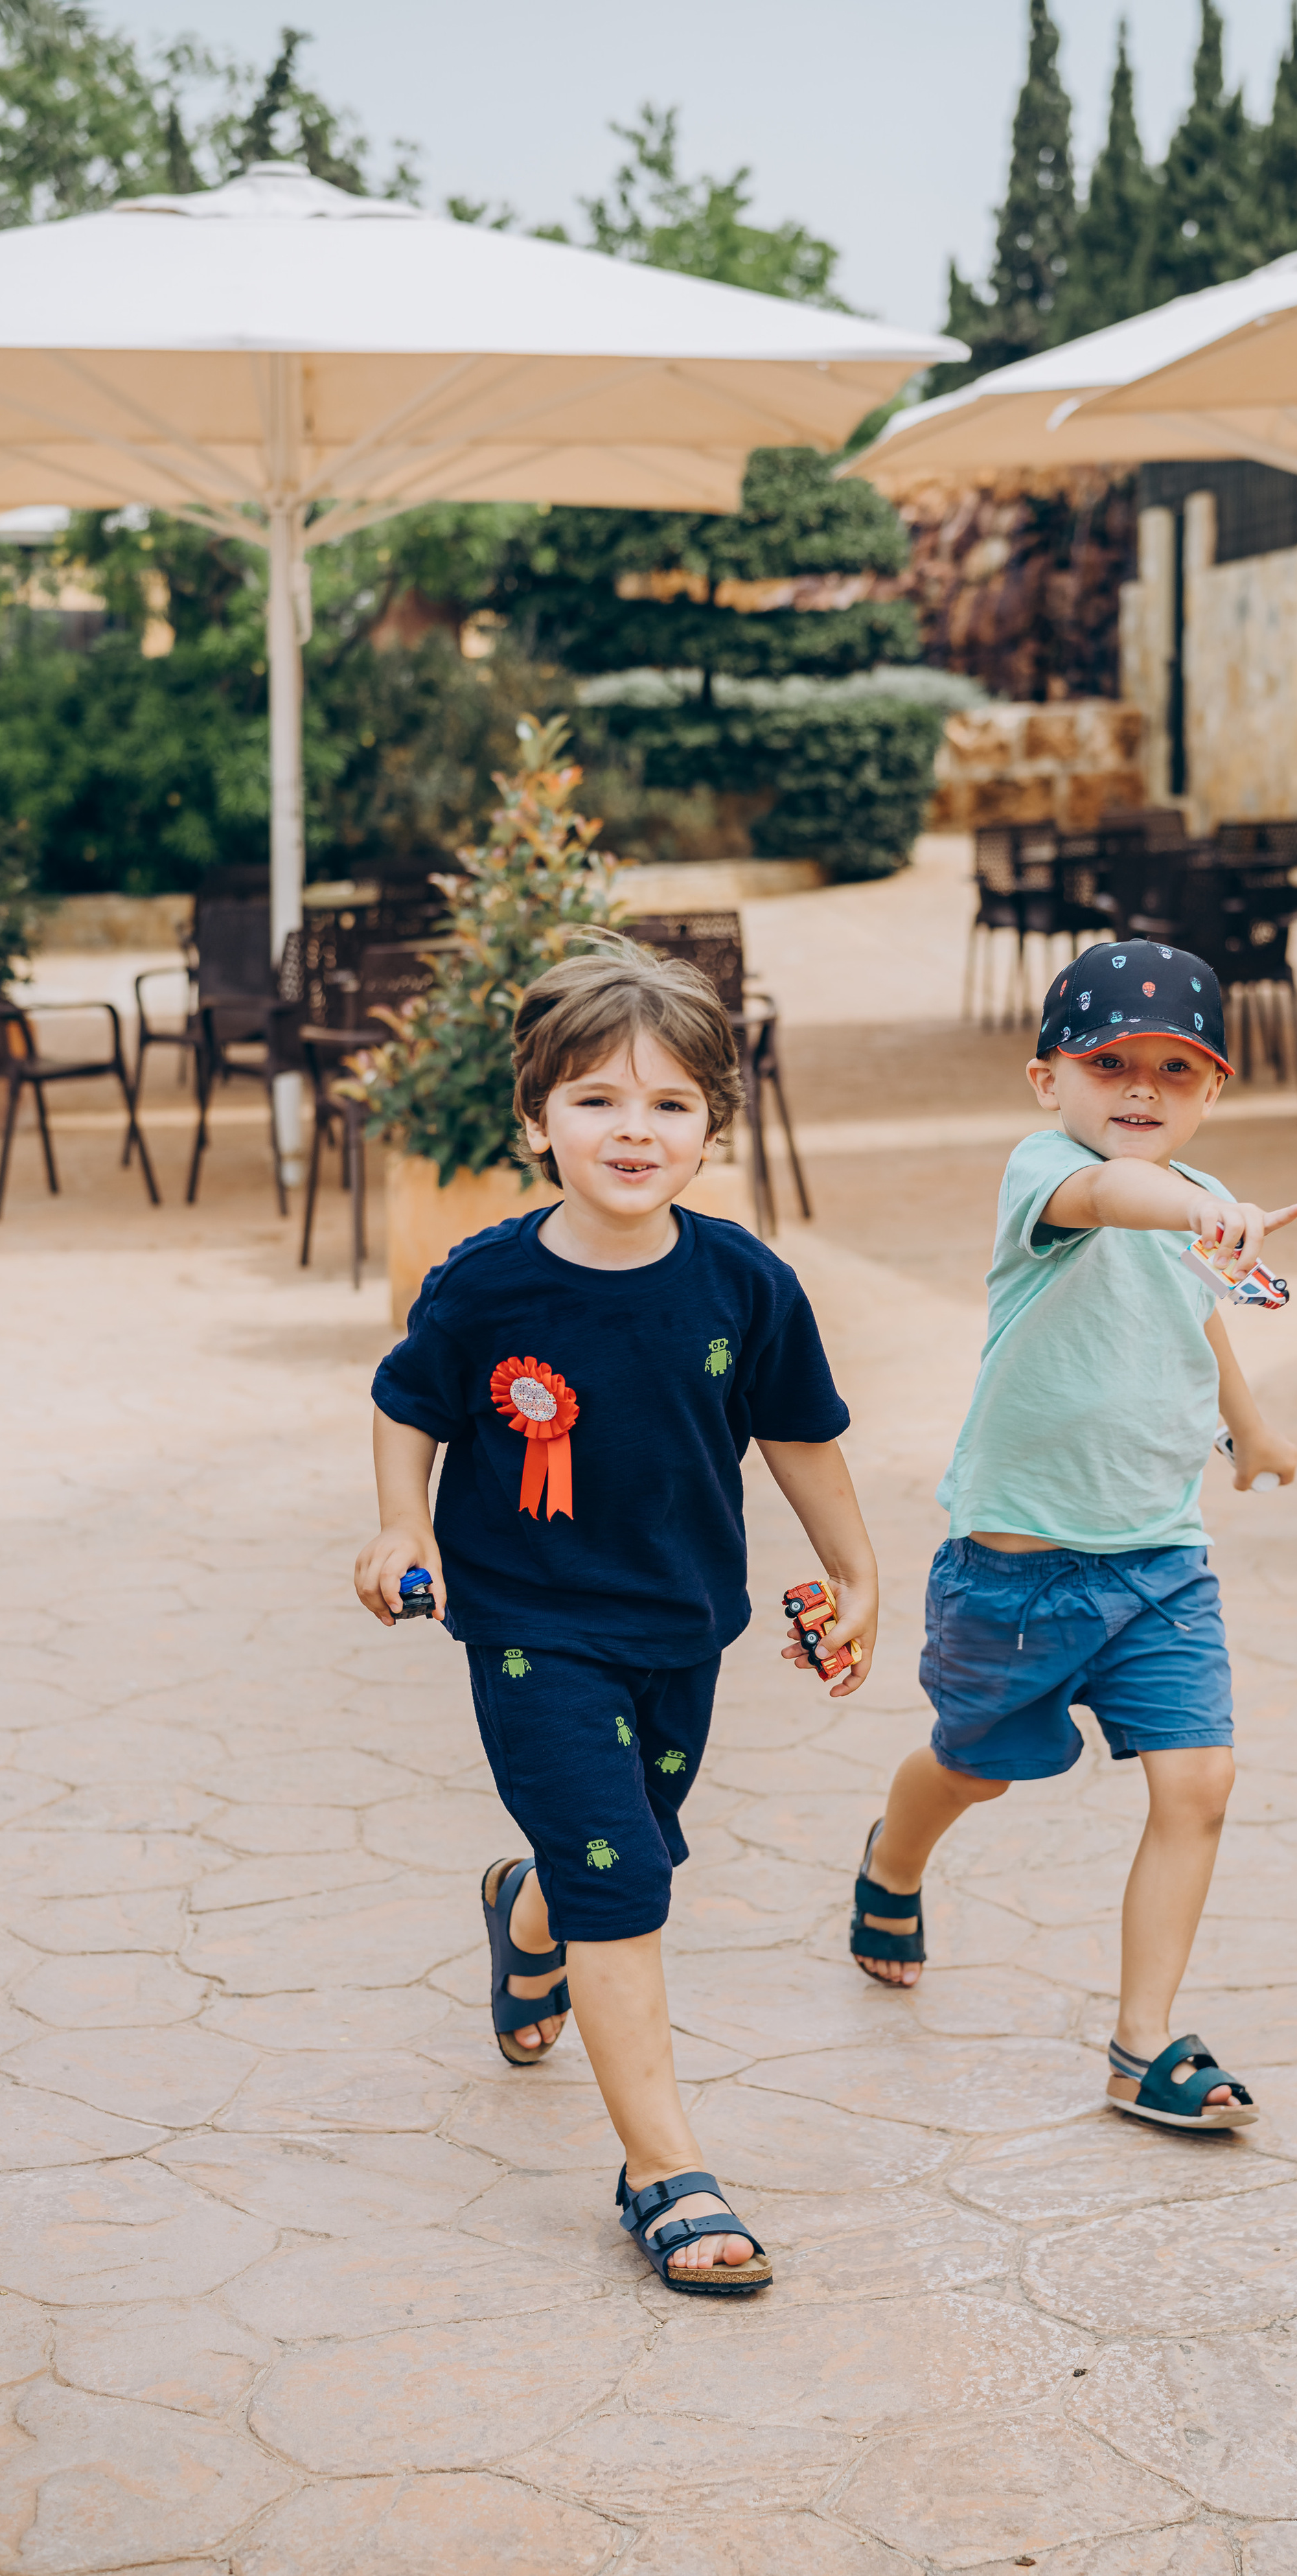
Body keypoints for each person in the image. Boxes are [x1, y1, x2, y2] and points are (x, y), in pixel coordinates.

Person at [356, 934, 878, 2293]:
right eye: (596, 1099)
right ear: (537, 1120)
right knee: (628, 1885)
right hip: (529, 1632)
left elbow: (800, 1432)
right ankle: (663, 2171)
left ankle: (526, 1911)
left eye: (668, 1102)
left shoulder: (745, 1283)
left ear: (713, 1125)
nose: (633, 1129)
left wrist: (857, 1573)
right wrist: (404, 1526)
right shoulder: (484, 1281)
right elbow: (408, 1403)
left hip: (682, 1628)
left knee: (621, 1852)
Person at [849, 938, 1297, 2132]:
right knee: (974, 1769)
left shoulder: (1199, 1205)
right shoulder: (1047, 1173)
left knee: (1200, 1782)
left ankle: (1142, 2045)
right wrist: (1205, 1208)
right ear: (1047, 1078)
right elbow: (1115, 1203)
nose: (1142, 1090)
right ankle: (894, 1861)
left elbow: (1195, 1315)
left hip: (1161, 1560)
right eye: (1110, 1064)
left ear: (1213, 1091)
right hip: (1017, 1571)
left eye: (1175, 1069)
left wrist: (1249, 1428)